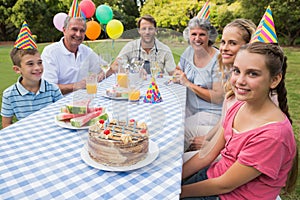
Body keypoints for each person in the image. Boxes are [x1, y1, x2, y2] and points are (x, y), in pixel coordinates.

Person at [180, 42, 298, 199]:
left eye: (252, 74)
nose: (240, 80)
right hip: (213, 177)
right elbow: (207, 154)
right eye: (236, 71)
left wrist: (177, 193)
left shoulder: (273, 135)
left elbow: (225, 184)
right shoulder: (238, 106)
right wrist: (175, 179)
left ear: (274, 80)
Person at [184, 19, 257, 159]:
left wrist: (209, 143)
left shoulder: (247, 86)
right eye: (223, 42)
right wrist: (207, 137)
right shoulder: (231, 74)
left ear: (247, 46)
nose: (224, 48)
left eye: (233, 43)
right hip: (223, 137)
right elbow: (225, 119)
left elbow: (240, 137)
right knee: (182, 131)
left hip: (233, 153)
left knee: (186, 157)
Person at [173, 17, 223, 151]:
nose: (197, 38)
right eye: (193, 34)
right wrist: (177, 74)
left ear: (209, 37)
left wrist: (188, 84)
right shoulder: (189, 51)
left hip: (210, 112)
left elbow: (218, 97)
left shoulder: (218, 60)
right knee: (169, 122)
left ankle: (177, 166)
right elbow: (178, 69)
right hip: (190, 107)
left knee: (178, 131)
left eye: (202, 34)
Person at [1, 22, 63, 128]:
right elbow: (6, 124)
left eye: (39, 62)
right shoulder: (9, 95)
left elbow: (63, 114)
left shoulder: (53, 89)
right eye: (30, 64)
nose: (37, 68)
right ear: (17, 69)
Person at [41, 16, 104, 95]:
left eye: (82, 31)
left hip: (82, 99)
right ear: (64, 30)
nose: (78, 34)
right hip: (59, 103)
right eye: (74, 29)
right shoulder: (50, 52)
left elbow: (104, 68)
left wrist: (100, 75)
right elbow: (49, 88)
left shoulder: (85, 51)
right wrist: (77, 85)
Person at [107, 14, 176, 76]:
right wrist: (132, 71)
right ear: (139, 30)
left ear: (155, 30)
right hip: (136, 87)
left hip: (157, 87)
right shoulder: (130, 46)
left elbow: (173, 73)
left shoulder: (165, 50)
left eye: (150, 28)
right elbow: (115, 66)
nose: (147, 32)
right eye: (143, 29)